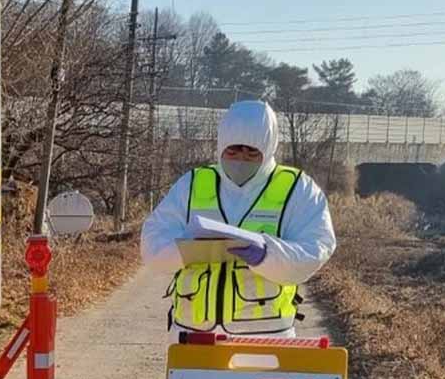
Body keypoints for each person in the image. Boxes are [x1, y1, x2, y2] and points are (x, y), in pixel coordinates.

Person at [141, 100, 336, 339]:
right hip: (193, 333)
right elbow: (152, 245)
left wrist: (267, 253)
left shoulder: (297, 188)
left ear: (268, 147)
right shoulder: (192, 184)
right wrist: (185, 250)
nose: (241, 158)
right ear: (221, 145)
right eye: (233, 150)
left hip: (266, 335)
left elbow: (316, 248)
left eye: (251, 152)